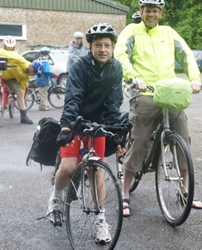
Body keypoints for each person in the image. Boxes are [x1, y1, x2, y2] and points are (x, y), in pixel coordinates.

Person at [115, 0, 202, 217]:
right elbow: (120, 55)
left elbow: (186, 54)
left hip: (169, 92)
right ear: (142, 11)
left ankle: (184, 190)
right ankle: (125, 192)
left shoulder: (169, 32)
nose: (151, 14)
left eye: (155, 11)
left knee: (183, 135)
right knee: (139, 140)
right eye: (148, 10)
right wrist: (133, 77)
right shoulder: (131, 31)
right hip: (144, 92)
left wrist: (194, 78)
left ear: (160, 13)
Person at [46, 23, 124, 243]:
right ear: (90, 47)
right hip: (76, 122)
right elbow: (73, 98)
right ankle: (57, 196)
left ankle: (101, 221)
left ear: (113, 47)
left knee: (95, 171)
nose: (102, 49)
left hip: (97, 124)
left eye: (107, 45)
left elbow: (113, 103)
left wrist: (114, 131)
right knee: (69, 166)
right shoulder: (80, 66)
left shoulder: (115, 68)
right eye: (98, 45)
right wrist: (66, 127)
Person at [0, 35, 35, 125]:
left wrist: (30, 67)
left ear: (14, 46)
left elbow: (23, 62)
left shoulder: (16, 55)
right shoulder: (1, 52)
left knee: (19, 93)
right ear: (4, 45)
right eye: (8, 46)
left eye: (11, 46)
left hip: (9, 76)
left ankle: (24, 116)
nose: (10, 47)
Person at [34, 47, 55, 111]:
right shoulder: (46, 62)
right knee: (43, 93)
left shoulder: (39, 60)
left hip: (39, 78)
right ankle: (42, 106)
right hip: (43, 79)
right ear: (48, 54)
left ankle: (42, 104)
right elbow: (46, 71)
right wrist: (53, 74)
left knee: (41, 92)